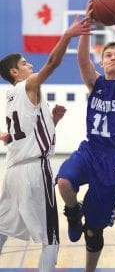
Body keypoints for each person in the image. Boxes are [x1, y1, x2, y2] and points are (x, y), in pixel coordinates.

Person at [0, 15, 91, 271]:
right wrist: (68, 35)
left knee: (2, 227)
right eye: (25, 63)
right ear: (14, 72)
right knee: (51, 240)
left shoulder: (10, 96)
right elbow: (53, 62)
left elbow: (27, 133)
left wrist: (52, 120)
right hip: (34, 172)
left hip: (13, 172)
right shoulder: (28, 85)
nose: (31, 66)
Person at [56, 2, 115, 272]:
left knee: (94, 231)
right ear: (102, 61)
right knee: (63, 182)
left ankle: (89, 270)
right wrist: (85, 31)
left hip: (113, 160)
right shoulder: (96, 83)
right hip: (90, 149)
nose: (114, 58)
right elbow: (82, 61)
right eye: (109, 55)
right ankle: (72, 213)